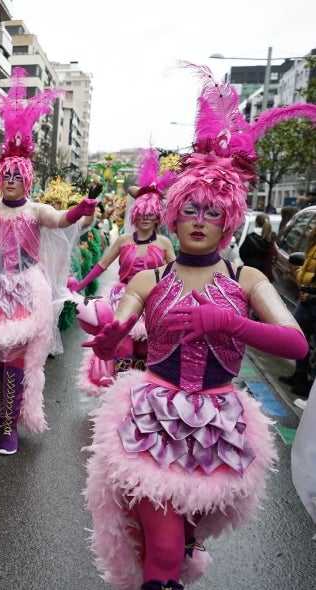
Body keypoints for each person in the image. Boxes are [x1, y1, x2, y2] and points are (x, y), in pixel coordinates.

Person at [82, 65, 315, 590]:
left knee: (183, 542)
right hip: (153, 416)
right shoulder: (153, 276)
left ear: (229, 218)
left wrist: (227, 321)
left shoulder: (245, 276)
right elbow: (119, 322)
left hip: (218, 422)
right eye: (189, 207)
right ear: (172, 213)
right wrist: (110, 336)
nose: (200, 218)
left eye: (212, 211)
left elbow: (297, 344)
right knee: (162, 547)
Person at [0, 67, 97, 455]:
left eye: (17, 175)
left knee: (15, 358)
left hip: (25, 292)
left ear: (27, 179)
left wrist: (79, 210)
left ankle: (11, 425)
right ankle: (1, 406)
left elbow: (60, 220)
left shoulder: (35, 211)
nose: (11, 179)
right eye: (7, 174)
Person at [68, 148, 176, 396]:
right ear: (135, 215)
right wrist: (81, 284)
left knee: (144, 353)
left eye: (151, 215)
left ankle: (138, 398)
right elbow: (101, 265)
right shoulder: (124, 240)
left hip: (152, 303)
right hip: (122, 301)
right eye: (142, 214)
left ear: (157, 217)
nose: (146, 219)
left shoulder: (164, 244)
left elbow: (177, 274)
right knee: (122, 349)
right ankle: (118, 397)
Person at [280, 221, 316, 397]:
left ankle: (310, 385)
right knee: (298, 337)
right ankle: (300, 375)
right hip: (306, 297)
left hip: (312, 298)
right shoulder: (313, 238)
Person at [238, 212, 276, 277]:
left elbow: (242, 253)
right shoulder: (273, 237)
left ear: (256, 223)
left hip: (250, 269)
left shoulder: (250, 237)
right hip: (266, 270)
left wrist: (249, 261)